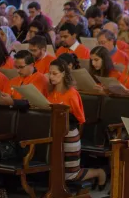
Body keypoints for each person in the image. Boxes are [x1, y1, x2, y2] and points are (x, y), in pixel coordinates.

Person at [46, 59, 107, 188]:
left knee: (70, 175)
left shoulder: (72, 93)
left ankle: (99, 172)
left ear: (63, 74)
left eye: (54, 73)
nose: (51, 77)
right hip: (54, 134)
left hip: (69, 134)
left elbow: (80, 118)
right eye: (50, 73)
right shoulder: (51, 92)